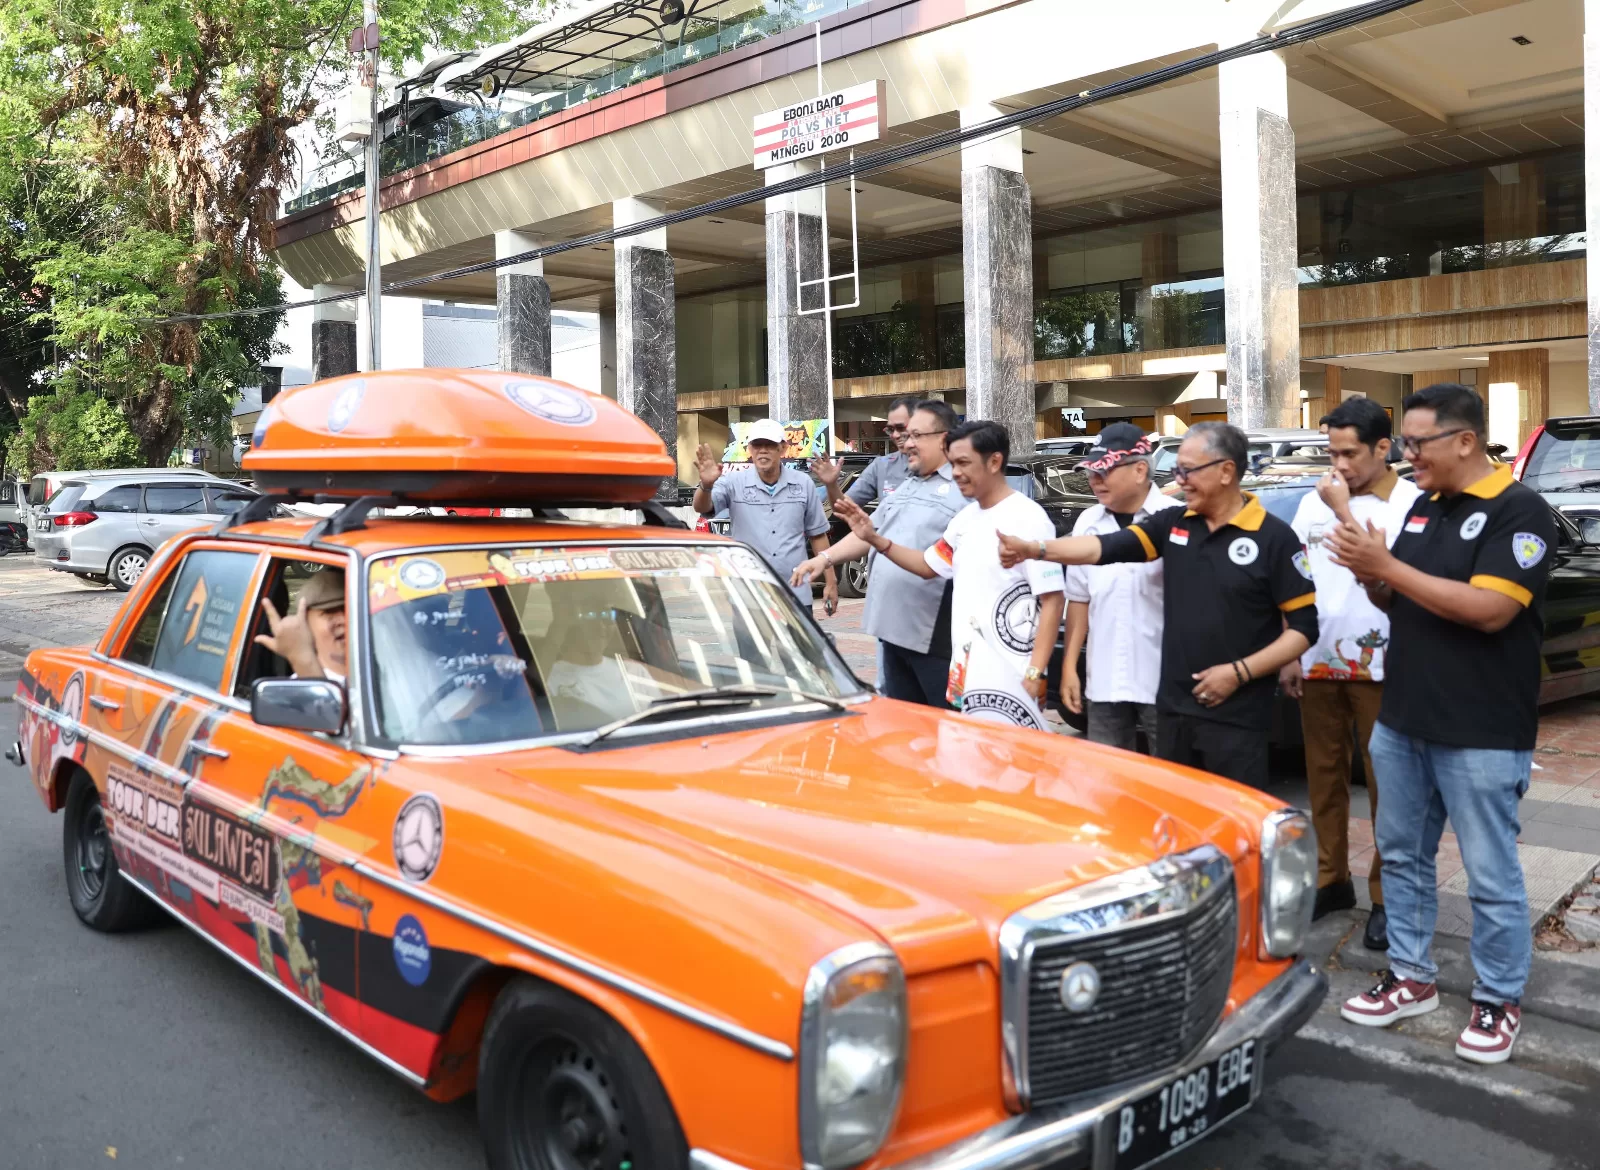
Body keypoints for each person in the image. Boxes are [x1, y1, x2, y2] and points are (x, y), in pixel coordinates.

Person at [1329, 383, 1556, 1066]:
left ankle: (1498, 998)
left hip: (1482, 728)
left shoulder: (1521, 512)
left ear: (1465, 441)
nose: (1407, 456)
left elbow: (1490, 611)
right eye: (1405, 444)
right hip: (1405, 719)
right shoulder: (1426, 508)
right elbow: (1405, 601)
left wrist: (1387, 565)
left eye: (1417, 444)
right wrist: (1374, 577)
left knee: (1490, 874)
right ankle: (1410, 976)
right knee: (1400, 857)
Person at [997, 422, 1318, 785]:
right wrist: (1036, 549)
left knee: (1230, 817)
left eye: (1187, 470)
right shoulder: (1175, 524)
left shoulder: (1275, 537)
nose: (1179, 480)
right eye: (1177, 470)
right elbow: (1104, 549)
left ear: (1226, 471)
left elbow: (1305, 626)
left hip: (1238, 715)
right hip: (1174, 709)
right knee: (1169, 807)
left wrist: (1239, 673)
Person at [1281, 397, 1422, 951]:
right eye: (1331, 452)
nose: (1337, 464)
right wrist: (1290, 651)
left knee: (1388, 786)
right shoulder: (1313, 504)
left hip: (1384, 666)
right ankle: (1329, 879)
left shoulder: (1410, 504)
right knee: (1323, 778)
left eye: (1349, 453)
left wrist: (1343, 507)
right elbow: (1294, 580)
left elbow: (1402, 580)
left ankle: (1387, 897)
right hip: (1317, 659)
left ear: (1383, 448)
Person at [832, 419, 1065, 729]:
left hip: (1013, 679)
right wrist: (875, 539)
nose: (955, 472)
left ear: (995, 461)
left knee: (1012, 769)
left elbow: (1052, 600)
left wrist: (1036, 673)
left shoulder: (1028, 519)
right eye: (953, 463)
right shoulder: (966, 518)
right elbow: (928, 566)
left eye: (964, 463)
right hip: (965, 675)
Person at [791, 400, 965, 707]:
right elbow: (868, 532)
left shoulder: (962, 489)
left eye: (915, 436)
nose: (905, 443)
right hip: (892, 631)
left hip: (933, 636)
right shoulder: (909, 485)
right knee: (901, 723)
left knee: (942, 725)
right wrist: (823, 559)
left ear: (944, 438)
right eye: (902, 433)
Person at [1061, 423, 1180, 751]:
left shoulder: (1174, 518)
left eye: (1104, 472)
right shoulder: (1087, 522)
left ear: (1140, 469)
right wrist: (1070, 667)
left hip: (1163, 678)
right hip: (1105, 678)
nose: (1095, 481)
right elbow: (1079, 600)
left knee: (1171, 777)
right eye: (1091, 473)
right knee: (1108, 783)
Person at [695, 417, 837, 614]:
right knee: (749, 646)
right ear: (749, 449)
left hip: (795, 592)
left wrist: (831, 581)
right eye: (757, 445)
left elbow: (818, 535)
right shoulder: (732, 482)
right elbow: (702, 507)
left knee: (797, 646)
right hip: (749, 593)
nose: (763, 450)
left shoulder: (803, 483)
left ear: (783, 448)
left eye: (769, 445)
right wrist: (706, 485)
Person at [814, 394, 919, 507]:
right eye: (891, 430)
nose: (895, 435)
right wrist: (831, 485)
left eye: (901, 428)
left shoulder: (939, 467)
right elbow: (843, 508)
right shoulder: (882, 466)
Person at [255, 568, 347, 682]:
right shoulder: (295, 691)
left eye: (348, 609)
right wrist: (301, 659)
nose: (344, 619)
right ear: (305, 627)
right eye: (329, 612)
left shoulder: (373, 672)